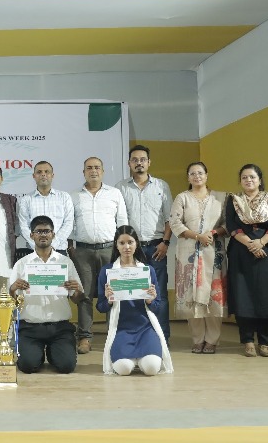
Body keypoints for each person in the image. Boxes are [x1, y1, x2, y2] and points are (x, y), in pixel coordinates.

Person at [226, 164, 268, 357]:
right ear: (240, 181)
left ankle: (265, 341)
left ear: (260, 179)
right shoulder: (234, 200)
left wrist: (261, 242)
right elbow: (231, 225)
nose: (248, 180)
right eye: (244, 177)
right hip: (241, 253)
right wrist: (250, 244)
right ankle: (247, 341)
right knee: (243, 295)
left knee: (267, 295)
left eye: (252, 177)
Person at [9, 216, 84, 374]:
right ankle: (37, 353)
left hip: (59, 328)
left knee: (66, 366)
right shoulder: (21, 264)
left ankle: (53, 351)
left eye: (47, 231)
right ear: (31, 235)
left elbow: (77, 299)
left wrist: (76, 290)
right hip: (30, 328)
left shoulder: (65, 262)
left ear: (53, 234)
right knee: (28, 366)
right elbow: (12, 302)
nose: (43, 235)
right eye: (38, 231)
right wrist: (12, 289)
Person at [70, 156, 128, 354]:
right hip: (83, 251)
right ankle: (84, 338)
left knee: (113, 292)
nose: (93, 171)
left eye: (97, 167)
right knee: (84, 295)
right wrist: (71, 248)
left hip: (109, 249)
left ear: (103, 171)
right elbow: (70, 223)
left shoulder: (114, 193)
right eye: (89, 168)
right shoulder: (74, 195)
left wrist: (122, 248)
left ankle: (115, 335)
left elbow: (122, 223)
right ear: (83, 172)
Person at [98, 225, 173, 376]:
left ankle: (143, 358)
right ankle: (133, 360)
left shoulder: (147, 270)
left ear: (136, 243)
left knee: (152, 368)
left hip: (145, 329)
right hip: (121, 330)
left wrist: (151, 300)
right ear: (116, 245)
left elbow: (157, 307)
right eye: (122, 243)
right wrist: (109, 300)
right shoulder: (108, 271)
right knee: (123, 369)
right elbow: (101, 307)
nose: (126, 247)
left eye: (130, 242)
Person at [115, 145, 173, 340]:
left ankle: (161, 336)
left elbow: (169, 218)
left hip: (157, 246)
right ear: (129, 163)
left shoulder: (161, 186)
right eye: (135, 159)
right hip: (132, 249)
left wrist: (165, 242)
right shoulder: (120, 187)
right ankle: (137, 333)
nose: (139, 162)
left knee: (159, 294)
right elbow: (119, 220)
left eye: (142, 159)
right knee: (132, 293)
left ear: (149, 162)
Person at [170, 162, 227, 354]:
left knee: (213, 296)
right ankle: (197, 339)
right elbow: (174, 222)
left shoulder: (220, 198)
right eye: (192, 173)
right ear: (188, 178)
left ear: (206, 175)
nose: (196, 176)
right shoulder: (182, 197)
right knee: (191, 296)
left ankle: (212, 340)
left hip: (213, 252)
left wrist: (213, 232)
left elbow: (227, 224)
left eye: (200, 173)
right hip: (188, 254)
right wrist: (197, 236)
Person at [18, 161, 74, 255]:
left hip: (58, 250)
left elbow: (68, 223)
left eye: (47, 172)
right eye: (39, 172)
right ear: (34, 176)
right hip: (33, 251)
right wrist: (37, 246)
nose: (43, 174)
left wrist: (53, 245)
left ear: (52, 175)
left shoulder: (64, 197)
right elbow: (23, 226)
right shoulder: (26, 200)